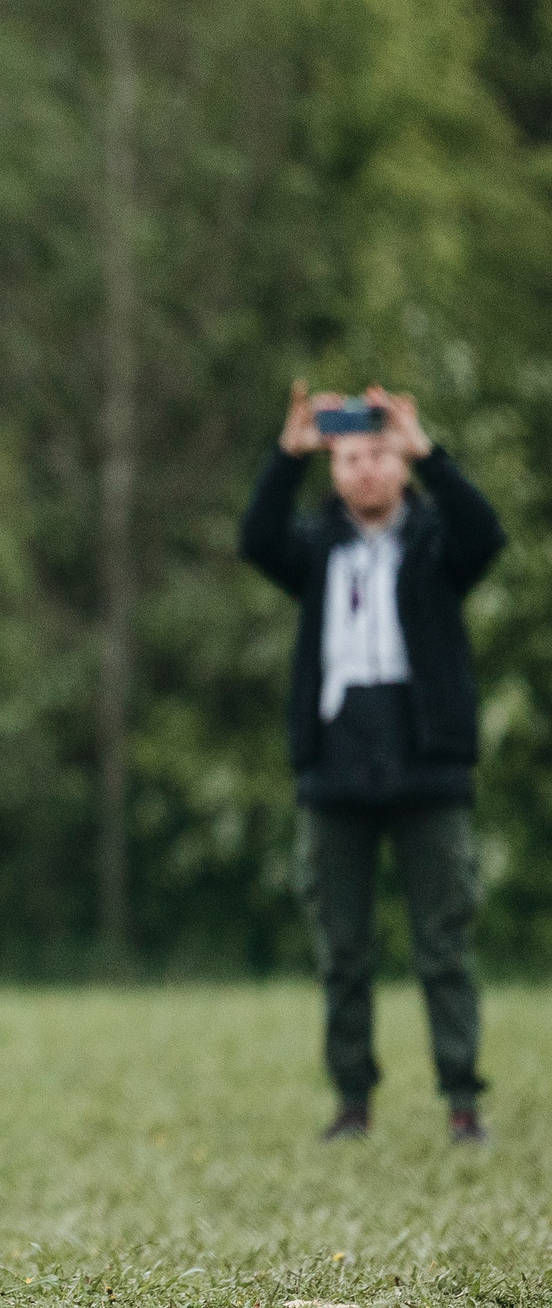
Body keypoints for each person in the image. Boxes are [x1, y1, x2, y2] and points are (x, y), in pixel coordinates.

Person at [239, 381, 506, 1144]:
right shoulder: (316, 547)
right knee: (343, 951)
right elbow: (256, 539)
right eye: (352, 456)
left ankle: (462, 1098)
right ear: (335, 466)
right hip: (336, 766)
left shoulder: (436, 543)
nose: (366, 469)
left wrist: (432, 452)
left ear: (402, 463)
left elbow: (486, 535)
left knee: (444, 943)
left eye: (381, 455)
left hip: (429, 763)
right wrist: (288, 456)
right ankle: (352, 1099)